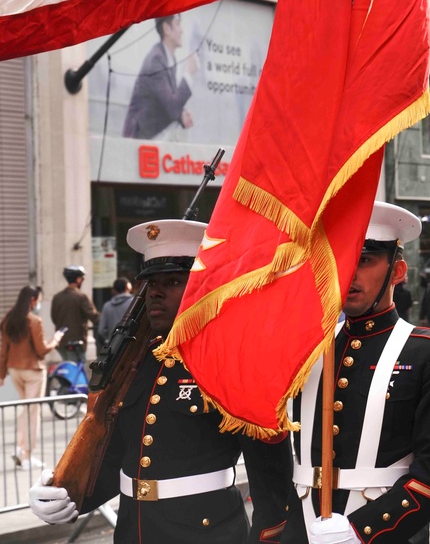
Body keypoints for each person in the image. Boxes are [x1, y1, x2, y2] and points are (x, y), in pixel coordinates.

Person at [29, 219, 291, 543]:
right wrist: (67, 496)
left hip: (207, 533)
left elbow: (272, 484)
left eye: (172, 281)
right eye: (151, 282)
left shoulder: (235, 362)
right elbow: (119, 459)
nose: (155, 292)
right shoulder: (136, 360)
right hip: (133, 531)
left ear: (202, 286)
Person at [283, 202, 430, 543]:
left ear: (397, 272)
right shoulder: (307, 346)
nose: (349, 272)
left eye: (364, 260)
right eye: (341, 260)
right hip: (303, 527)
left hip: (388, 531)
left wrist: (362, 531)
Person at [1, 286, 64, 468]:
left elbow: (3, 350)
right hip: (33, 371)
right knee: (32, 412)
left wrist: (1, 374)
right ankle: (26, 454)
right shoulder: (34, 321)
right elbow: (42, 350)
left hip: (14, 370)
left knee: (25, 410)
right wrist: (56, 339)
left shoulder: (8, 320)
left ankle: (21, 449)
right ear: (33, 300)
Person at [122, 14, 197, 139]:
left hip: (147, 139)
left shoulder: (167, 58)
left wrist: (181, 114)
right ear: (166, 28)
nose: (181, 30)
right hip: (136, 139)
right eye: (177, 23)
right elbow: (171, 106)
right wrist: (188, 73)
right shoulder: (156, 60)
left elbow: (166, 102)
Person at [50, 265, 100, 361]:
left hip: (61, 342)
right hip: (76, 342)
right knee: (77, 372)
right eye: (82, 279)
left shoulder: (57, 297)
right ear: (78, 279)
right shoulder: (81, 297)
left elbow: (54, 318)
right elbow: (94, 317)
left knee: (68, 370)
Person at [96, 277, 134, 348]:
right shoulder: (134, 303)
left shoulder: (107, 306)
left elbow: (101, 330)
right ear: (128, 287)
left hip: (113, 346)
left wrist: (109, 339)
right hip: (130, 345)